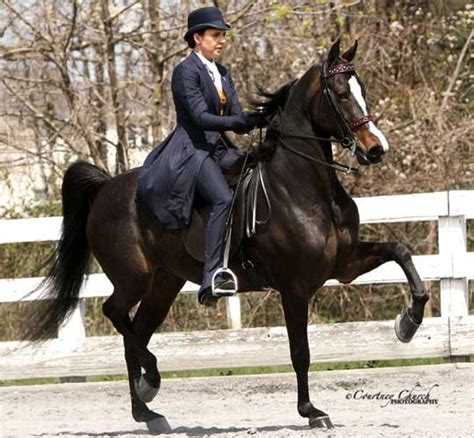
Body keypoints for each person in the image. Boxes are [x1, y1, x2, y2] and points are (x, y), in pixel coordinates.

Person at [137, 6, 255, 306]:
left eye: (223, 35)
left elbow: (237, 115)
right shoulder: (185, 71)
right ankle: (211, 277)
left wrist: (257, 120)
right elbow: (200, 118)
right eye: (215, 35)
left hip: (218, 148)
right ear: (197, 38)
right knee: (222, 199)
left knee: (255, 178)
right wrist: (236, 123)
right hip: (192, 149)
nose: (222, 41)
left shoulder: (222, 72)